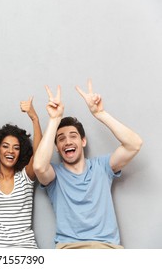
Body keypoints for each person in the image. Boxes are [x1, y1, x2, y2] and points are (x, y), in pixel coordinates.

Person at [33, 79, 143, 249]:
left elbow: (134, 144)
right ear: (57, 148)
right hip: (69, 249)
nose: (67, 141)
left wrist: (101, 114)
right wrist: (54, 120)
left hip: (107, 248)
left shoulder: (102, 167)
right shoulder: (54, 175)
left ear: (83, 141)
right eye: (61, 139)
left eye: (73, 136)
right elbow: (39, 166)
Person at [0, 97, 42, 248]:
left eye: (16, 148)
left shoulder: (25, 177)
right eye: (5, 146)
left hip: (26, 250)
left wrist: (35, 118)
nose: (10, 151)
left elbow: (39, 156)